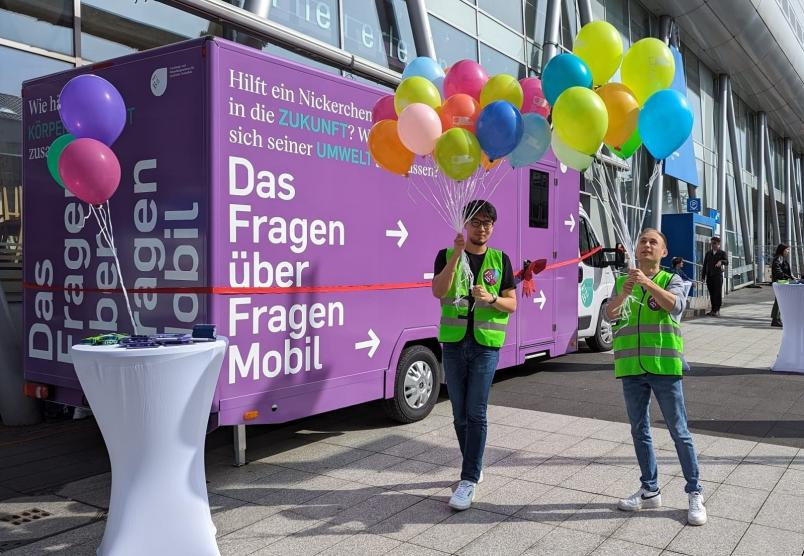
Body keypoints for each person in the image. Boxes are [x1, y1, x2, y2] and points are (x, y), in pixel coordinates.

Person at [605, 228, 707, 526]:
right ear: (635, 250)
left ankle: (694, 491)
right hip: (631, 369)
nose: (647, 245)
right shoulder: (623, 282)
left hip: (663, 367)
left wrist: (646, 282)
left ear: (663, 252)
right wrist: (623, 293)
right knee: (639, 430)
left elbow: (675, 306)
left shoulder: (670, 279)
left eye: (654, 242)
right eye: (643, 241)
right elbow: (611, 315)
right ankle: (650, 490)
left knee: (679, 431)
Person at [432, 200, 516, 511]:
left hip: (485, 346)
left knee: (476, 412)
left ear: (493, 227)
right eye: (476, 222)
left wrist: (492, 298)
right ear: (466, 224)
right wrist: (455, 254)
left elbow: (513, 304)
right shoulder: (445, 254)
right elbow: (438, 291)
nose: (482, 228)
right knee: (459, 414)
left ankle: (467, 479)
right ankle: (474, 465)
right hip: (453, 343)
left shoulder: (500, 259)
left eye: (487, 223)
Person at [702, 237, 728, 317]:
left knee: (717, 293)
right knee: (712, 293)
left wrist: (721, 261)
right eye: (711, 243)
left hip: (717, 276)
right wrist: (703, 276)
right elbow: (705, 265)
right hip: (709, 276)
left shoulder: (722, 253)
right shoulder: (708, 253)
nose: (712, 245)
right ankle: (713, 310)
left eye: (714, 243)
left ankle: (717, 310)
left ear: (718, 244)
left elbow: (727, 262)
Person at [771, 243, 795, 327]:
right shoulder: (778, 258)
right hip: (781, 282)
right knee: (779, 301)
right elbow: (778, 271)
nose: (788, 251)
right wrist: (788, 277)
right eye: (787, 249)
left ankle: (776, 319)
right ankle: (775, 320)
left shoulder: (780, 258)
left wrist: (791, 276)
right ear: (782, 250)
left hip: (781, 282)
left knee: (779, 301)